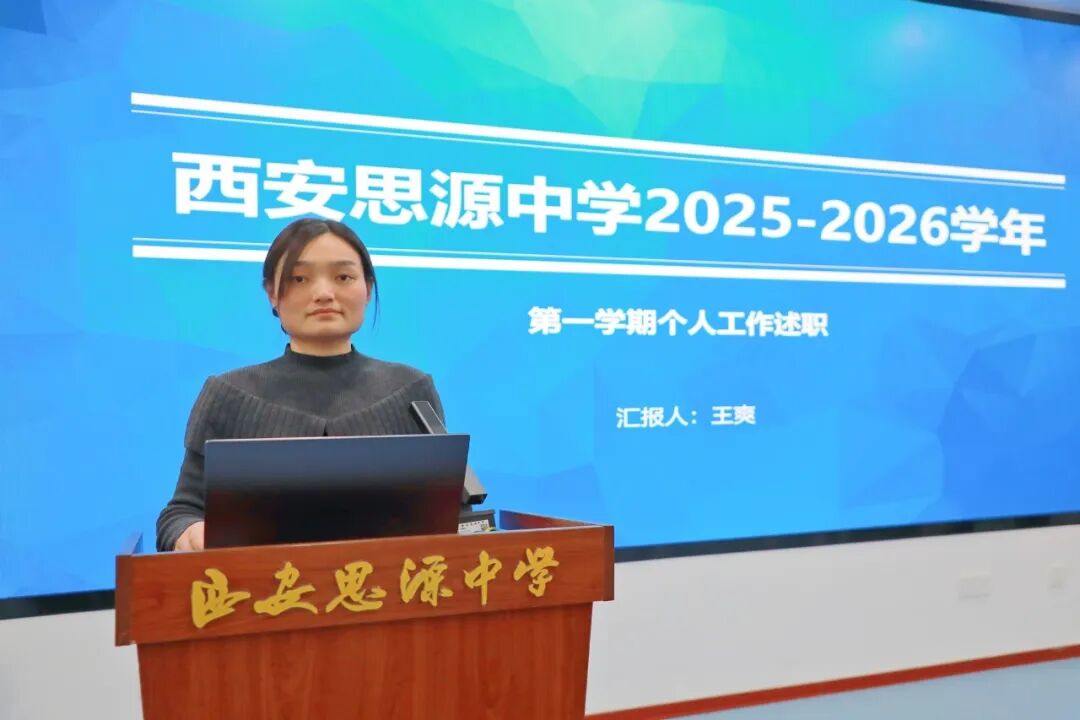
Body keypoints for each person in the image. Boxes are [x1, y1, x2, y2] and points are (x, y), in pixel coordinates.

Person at [156, 218, 444, 552]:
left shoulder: (411, 391)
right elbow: (182, 512)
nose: (324, 294)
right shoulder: (229, 394)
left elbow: (451, 512)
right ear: (272, 294)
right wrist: (192, 533)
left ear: (367, 289)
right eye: (299, 278)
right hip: (266, 583)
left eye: (343, 277)